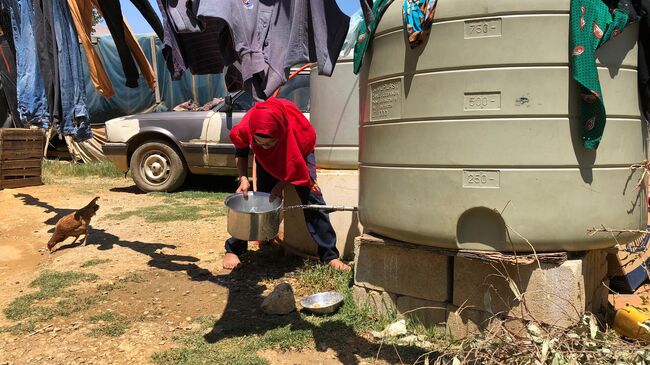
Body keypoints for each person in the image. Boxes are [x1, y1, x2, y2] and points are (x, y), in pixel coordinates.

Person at [223, 97, 351, 271]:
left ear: (280, 133)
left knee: (312, 200)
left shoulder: (299, 131)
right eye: (259, 143)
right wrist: (244, 178)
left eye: (269, 143)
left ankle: (330, 255)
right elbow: (241, 150)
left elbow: (297, 165)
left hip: (297, 152)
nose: (265, 147)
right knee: (260, 201)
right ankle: (235, 248)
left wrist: (281, 185)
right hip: (267, 161)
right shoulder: (249, 124)